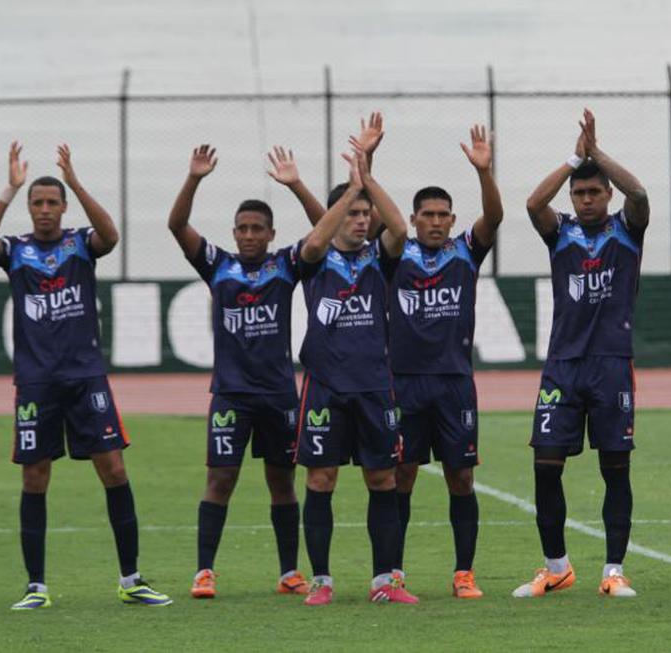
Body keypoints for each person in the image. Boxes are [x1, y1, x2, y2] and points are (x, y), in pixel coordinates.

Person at [0, 142, 171, 609]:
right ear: (29, 208)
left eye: (52, 202)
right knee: (35, 477)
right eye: (37, 203)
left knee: (114, 469)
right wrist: (9, 188)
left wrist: (76, 183)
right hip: (36, 382)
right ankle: (36, 586)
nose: (44, 210)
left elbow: (111, 236)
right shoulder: (16, 251)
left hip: (86, 377)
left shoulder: (79, 243)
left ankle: (131, 579)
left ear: (63, 207)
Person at [167, 144, 319, 599]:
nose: (249, 235)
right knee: (221, 479)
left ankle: (289, 572)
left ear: (271, 234)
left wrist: (296, 185)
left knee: (282, 482)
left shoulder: (285, 265)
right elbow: (176, 226)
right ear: (233, 233)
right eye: (242, 228)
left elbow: (323, 232)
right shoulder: (219, 266)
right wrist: (194, 178)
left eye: (257, 229)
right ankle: (204, 572)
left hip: (278, 394)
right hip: (231, 394)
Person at [513, 109, 649, 599]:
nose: (587, 199)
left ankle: (614, 571)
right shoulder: (561, 232)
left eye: (594, 191)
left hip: (611, 364)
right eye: (579, 192)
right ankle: (557, 568)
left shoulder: (626, 229)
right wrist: (574, 159)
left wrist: (598, 154)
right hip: (562, 366)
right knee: (545, 466)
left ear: (607, 194)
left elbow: (640, 194)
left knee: (615, 469)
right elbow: (533, 203)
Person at [293, 141, 418, 605]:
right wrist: (349, 191)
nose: (362, 220)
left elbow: (399, 228)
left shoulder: (378, 259)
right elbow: (314, 242)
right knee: (320, 481)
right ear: (336, 216)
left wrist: (366, 178)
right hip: (325, 387)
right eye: (353, 213)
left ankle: (384, 582)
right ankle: (321, 581)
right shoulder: (313, 259)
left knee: (382, 481)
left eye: (366, 213)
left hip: (374, 387)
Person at [389, 125, 503, 599]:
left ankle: (464, 574)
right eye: (427, 215)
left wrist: (484, 172)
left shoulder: (464, 252)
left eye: (442, 215)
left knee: (461, 476)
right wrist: (365, 172)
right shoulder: (396, 254)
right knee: (402, 476)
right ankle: (393, 572)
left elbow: (494, 216)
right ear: (413, 220)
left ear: (452, 219)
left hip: (454, 382)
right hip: (405, 382)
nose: (435, 222)